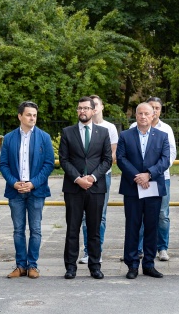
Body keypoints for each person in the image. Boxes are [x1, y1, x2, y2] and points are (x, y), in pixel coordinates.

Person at [0, 101, 55, 279]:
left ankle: (33, 265)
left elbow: (48, 164)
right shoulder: (9, 138)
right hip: (15, 190)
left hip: (36, 190)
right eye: (29, 114)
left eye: (34, 115)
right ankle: (20, 265)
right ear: (20, 116)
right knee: (18, 230)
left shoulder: (44, 137)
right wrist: (14, 182)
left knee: (36, 229)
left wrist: (33, 183)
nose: (32, 118)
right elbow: (4, 165)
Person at [59, 97, 113, 280]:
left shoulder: (103, 132)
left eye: (86, 108)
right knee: (72, 228)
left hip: (96, 187)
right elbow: (64, 160)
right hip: (74, 188)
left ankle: (95, 266)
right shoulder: (67, 132)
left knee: (94, 229)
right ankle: (70, 267)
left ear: (93, 111)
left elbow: (107, 160)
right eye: (79, 108)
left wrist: (92, 177)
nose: (82, 111)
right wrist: (77, 178)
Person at [117, 103, 170, 279]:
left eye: (147, 113)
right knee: (132, 227)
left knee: (152, 227)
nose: (143, 116)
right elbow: (121, 158)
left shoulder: (162, 136)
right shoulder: (125, 135)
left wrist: (149, 175)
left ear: (153, 115)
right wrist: (137, 176)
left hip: (153, 188)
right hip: (132, 188)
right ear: (136, 116)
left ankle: (149, 264)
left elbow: (165, 159)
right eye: (140, 113)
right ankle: (132, 265)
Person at [131, 97, 177, 261]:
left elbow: (170, 155)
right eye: (151, 107)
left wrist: (151, 172)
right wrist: (141, 175)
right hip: (139, 179)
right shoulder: (133, 128)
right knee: (140, 215)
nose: (154, 110)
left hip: (160, 178)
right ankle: (139, 248)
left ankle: (162, 247)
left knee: (162, 214)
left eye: (157, 107)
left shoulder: (166, 129)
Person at [78, 95, 118, 265]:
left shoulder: (109, 128)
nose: (91, 108)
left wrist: (95, 174)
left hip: (102, 177)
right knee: (85, 217)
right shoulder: (79, 128)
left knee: (100, 216)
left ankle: (97, 251)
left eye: (95, 105)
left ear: (100, 107)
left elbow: (112, 155)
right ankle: (88, 251)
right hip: (83, 178)